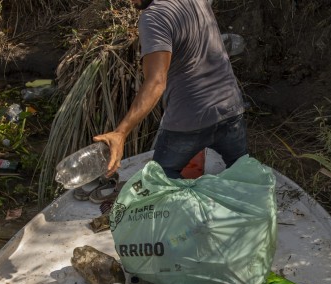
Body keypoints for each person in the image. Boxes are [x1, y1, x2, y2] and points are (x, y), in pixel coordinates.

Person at [93, 0, 247, 179]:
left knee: (159, 179)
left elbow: (157, 82)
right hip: (231, 109)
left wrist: (121, 132)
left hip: (189, 120)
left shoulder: (154, 17)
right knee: (244, 175)